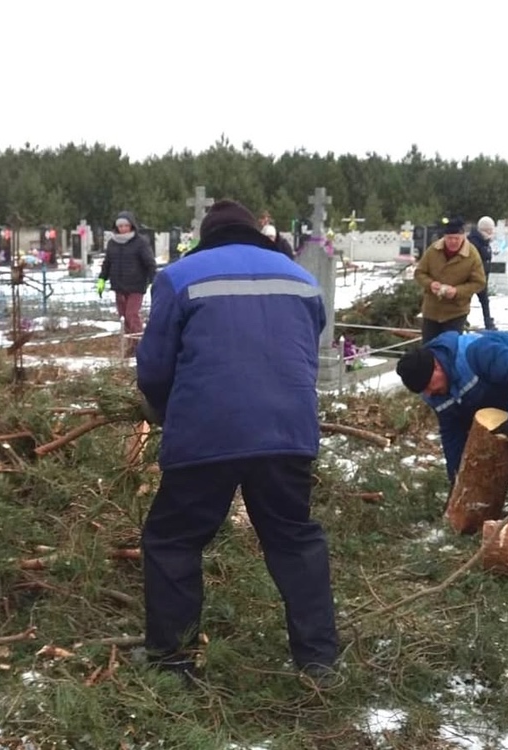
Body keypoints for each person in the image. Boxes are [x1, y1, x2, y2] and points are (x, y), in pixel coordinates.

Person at [135, 199, 340, 682]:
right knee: (293, 539)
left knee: (174, 540)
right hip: (288, 431)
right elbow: (305, 350)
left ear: (206, 237)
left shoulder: (180, 277)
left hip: (206, 430)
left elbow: (155, 367)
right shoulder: (300, 278)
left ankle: (173, 663)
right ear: (254, 232)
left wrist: (164, 412)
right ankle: (319, 661)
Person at [395, 330, 508, 522]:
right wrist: (457, 479)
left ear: (436, 366)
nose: (429, 393)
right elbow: (452, 434)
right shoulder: (434, 391)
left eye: (428, 386)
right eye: (423, 391)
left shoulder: (475, 352)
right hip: (505, 384)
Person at [414, 217, 486, 342]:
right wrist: (430, 284)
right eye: (449, 238)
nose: (453, 242)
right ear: (444, 237)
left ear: (463, 237)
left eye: (456, 238)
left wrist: (457, 291)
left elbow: (479, 283)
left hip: (456, 312)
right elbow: (419, 273)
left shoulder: (472, 255)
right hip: (432, 310)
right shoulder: (433, 250)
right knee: (429, 348)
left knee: (450, 347)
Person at [97, 211, 156, 351]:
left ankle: (140, 345)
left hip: (136, 285)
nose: (123, 228)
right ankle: (130, 345)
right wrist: (102, 279)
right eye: (120, 226)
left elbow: (150, 263)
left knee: (131, 315)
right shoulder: (112, 243)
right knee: (123, 317)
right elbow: (107, 263)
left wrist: (153, 280)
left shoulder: (140, 242)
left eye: (126, 225)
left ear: (132, 226)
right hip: (119, 286)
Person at [467, 216, 497, 330]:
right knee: (467, 300)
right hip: (473, 277)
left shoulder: (484, 241)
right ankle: (464, 320)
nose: (492, 232)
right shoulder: (474, 242)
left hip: (483, 276)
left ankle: (488, 322)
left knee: (484, 300)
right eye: (490, 230)